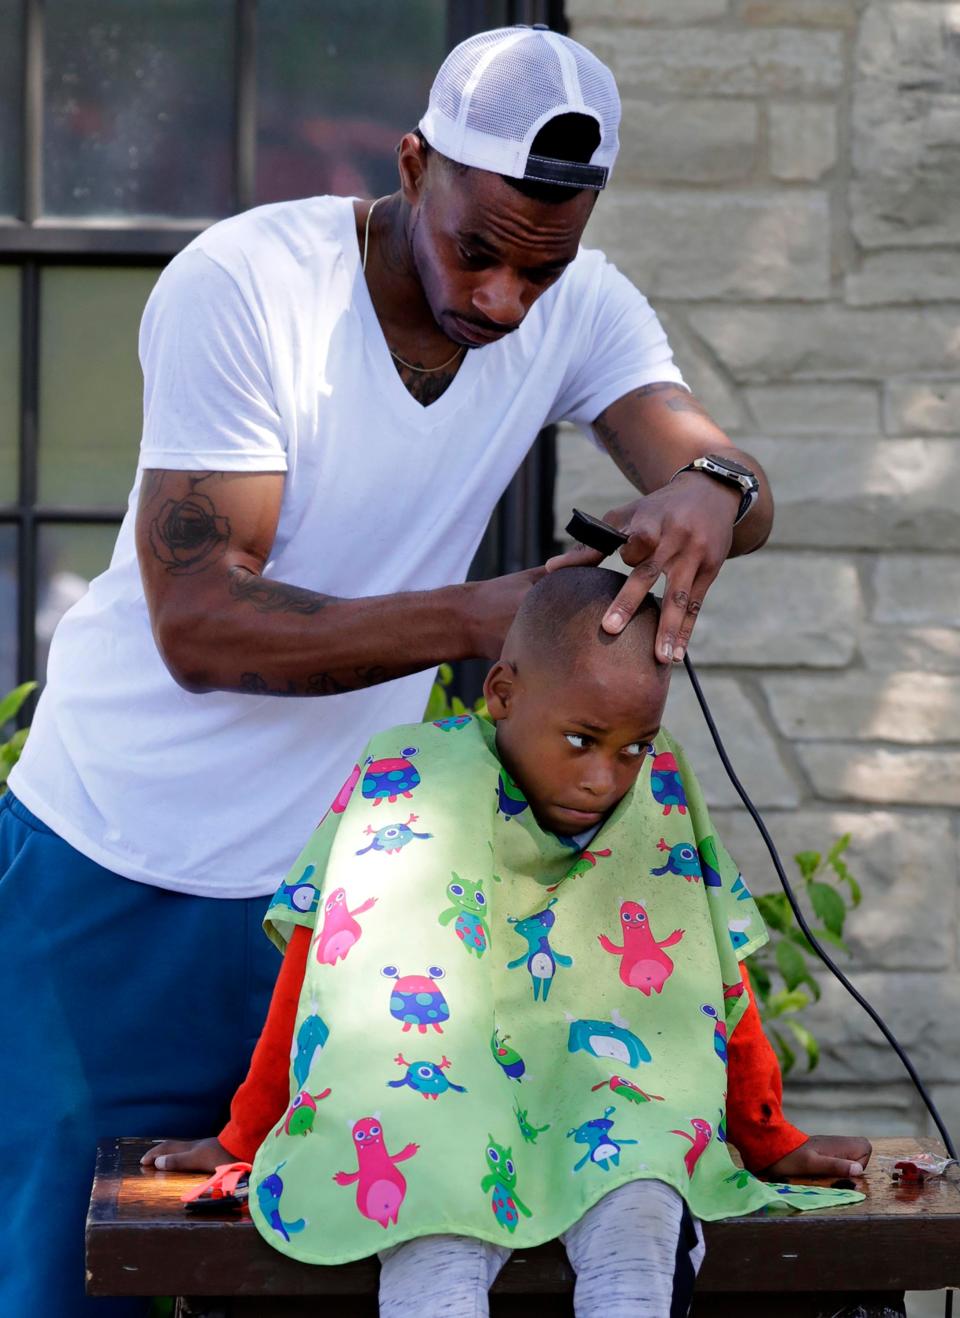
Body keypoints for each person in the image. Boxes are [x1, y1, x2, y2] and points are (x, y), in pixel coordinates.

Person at [2, 25, 780, 1318]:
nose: (502, 301)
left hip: (345, 909)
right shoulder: (249, 286)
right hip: (110, 875)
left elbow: (726, 475)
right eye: (478, 249)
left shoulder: (575, 305)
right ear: (413, 163)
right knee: (52, 1287)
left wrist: (713, 487)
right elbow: (204, 624)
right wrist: (482, 617)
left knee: (318, 1279)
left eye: (544, 266)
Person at [145, 570, 871, 1318]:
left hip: (613, 1108)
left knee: (643, 1215)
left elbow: (710, 974)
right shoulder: (404, 781)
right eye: (582, 741)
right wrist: (246, 1132)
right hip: (434, 1106)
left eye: (632, 749)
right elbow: (321, 973)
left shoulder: (658, 792)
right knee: (434, 1239)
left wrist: (769, 1135)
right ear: (501, 694)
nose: (603, 778)